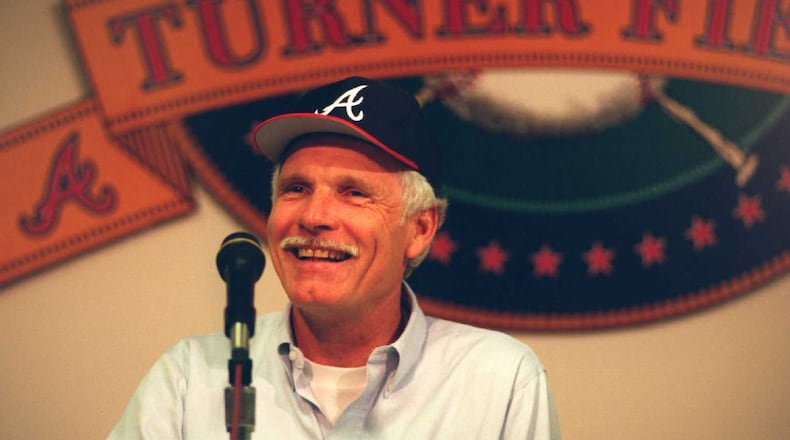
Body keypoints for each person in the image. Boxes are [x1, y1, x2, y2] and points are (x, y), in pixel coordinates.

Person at [108, 76, 560, 439]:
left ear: (419, 230)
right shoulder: (189, 378)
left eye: (354, 192)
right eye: (296, 188)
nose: (314, 216)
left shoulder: (498, 381)